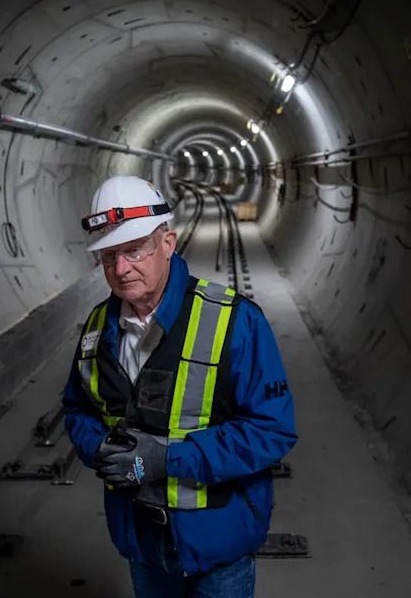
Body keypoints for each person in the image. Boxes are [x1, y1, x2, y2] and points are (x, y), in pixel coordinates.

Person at [62, 175, 297, 597]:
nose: (120, 268)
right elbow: (77, 408)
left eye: (134, 250)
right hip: (140, 542)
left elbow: (272, 429)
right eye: (109, 255)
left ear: (168, 243)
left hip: (218, 544)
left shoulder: (235, 322)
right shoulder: (98, 329)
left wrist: (168, 459)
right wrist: (97, 445)